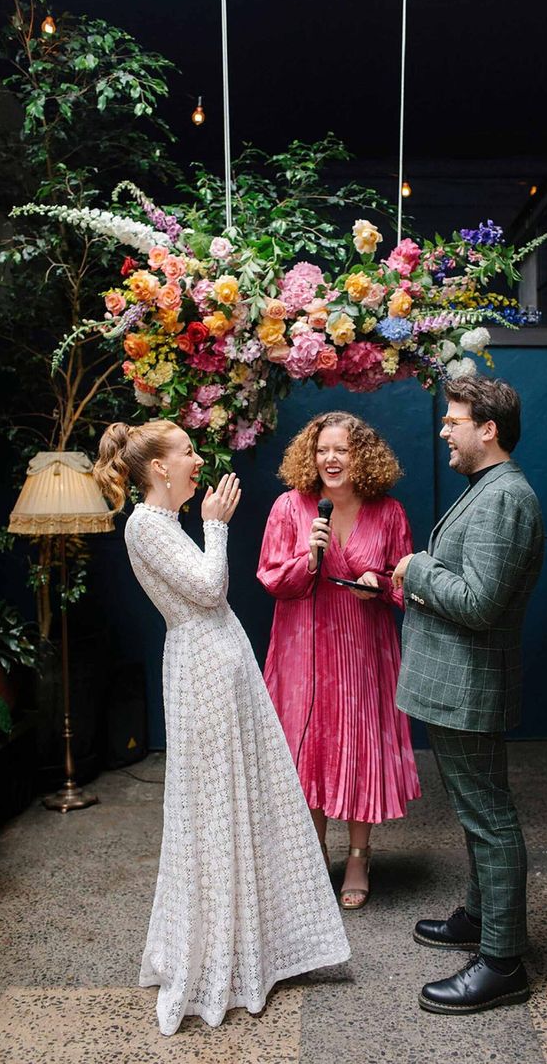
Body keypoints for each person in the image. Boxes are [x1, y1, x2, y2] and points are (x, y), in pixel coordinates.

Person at [93, 419, 350, 1036]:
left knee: (239, 802)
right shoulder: (146, 526)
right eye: (185, 451)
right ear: (158, 468)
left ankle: (247, 946)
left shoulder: (162, 524)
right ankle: (217, 955)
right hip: (203, 674)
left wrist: (205, 524)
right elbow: (210, 589)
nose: (196, 458)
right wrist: (216, 524)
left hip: (216, 669)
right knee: (215, 809)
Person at [392, 376, 544, 1016]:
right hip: (457, 684)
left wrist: (415, 567)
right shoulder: (487, 491)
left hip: (469, 684)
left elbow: (480, 604)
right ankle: (482, 920)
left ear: (488, 429)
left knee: (490, 819)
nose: (444, 431)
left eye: (454, 421)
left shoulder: (505, 498)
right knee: (480, 811)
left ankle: (502, 962)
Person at [257, 411, 421, 910]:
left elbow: (406, 582)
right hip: (303, 648)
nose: (331, 459)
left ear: (362, 456)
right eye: (323, 450)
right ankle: (310, 858)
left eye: (342, 450)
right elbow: (269, 577)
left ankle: (357, 855)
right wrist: (307, 559)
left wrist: (382, 583)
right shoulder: (290, 507)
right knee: (309, 749)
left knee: (357, 746)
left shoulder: (388, 512)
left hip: (362, 648)